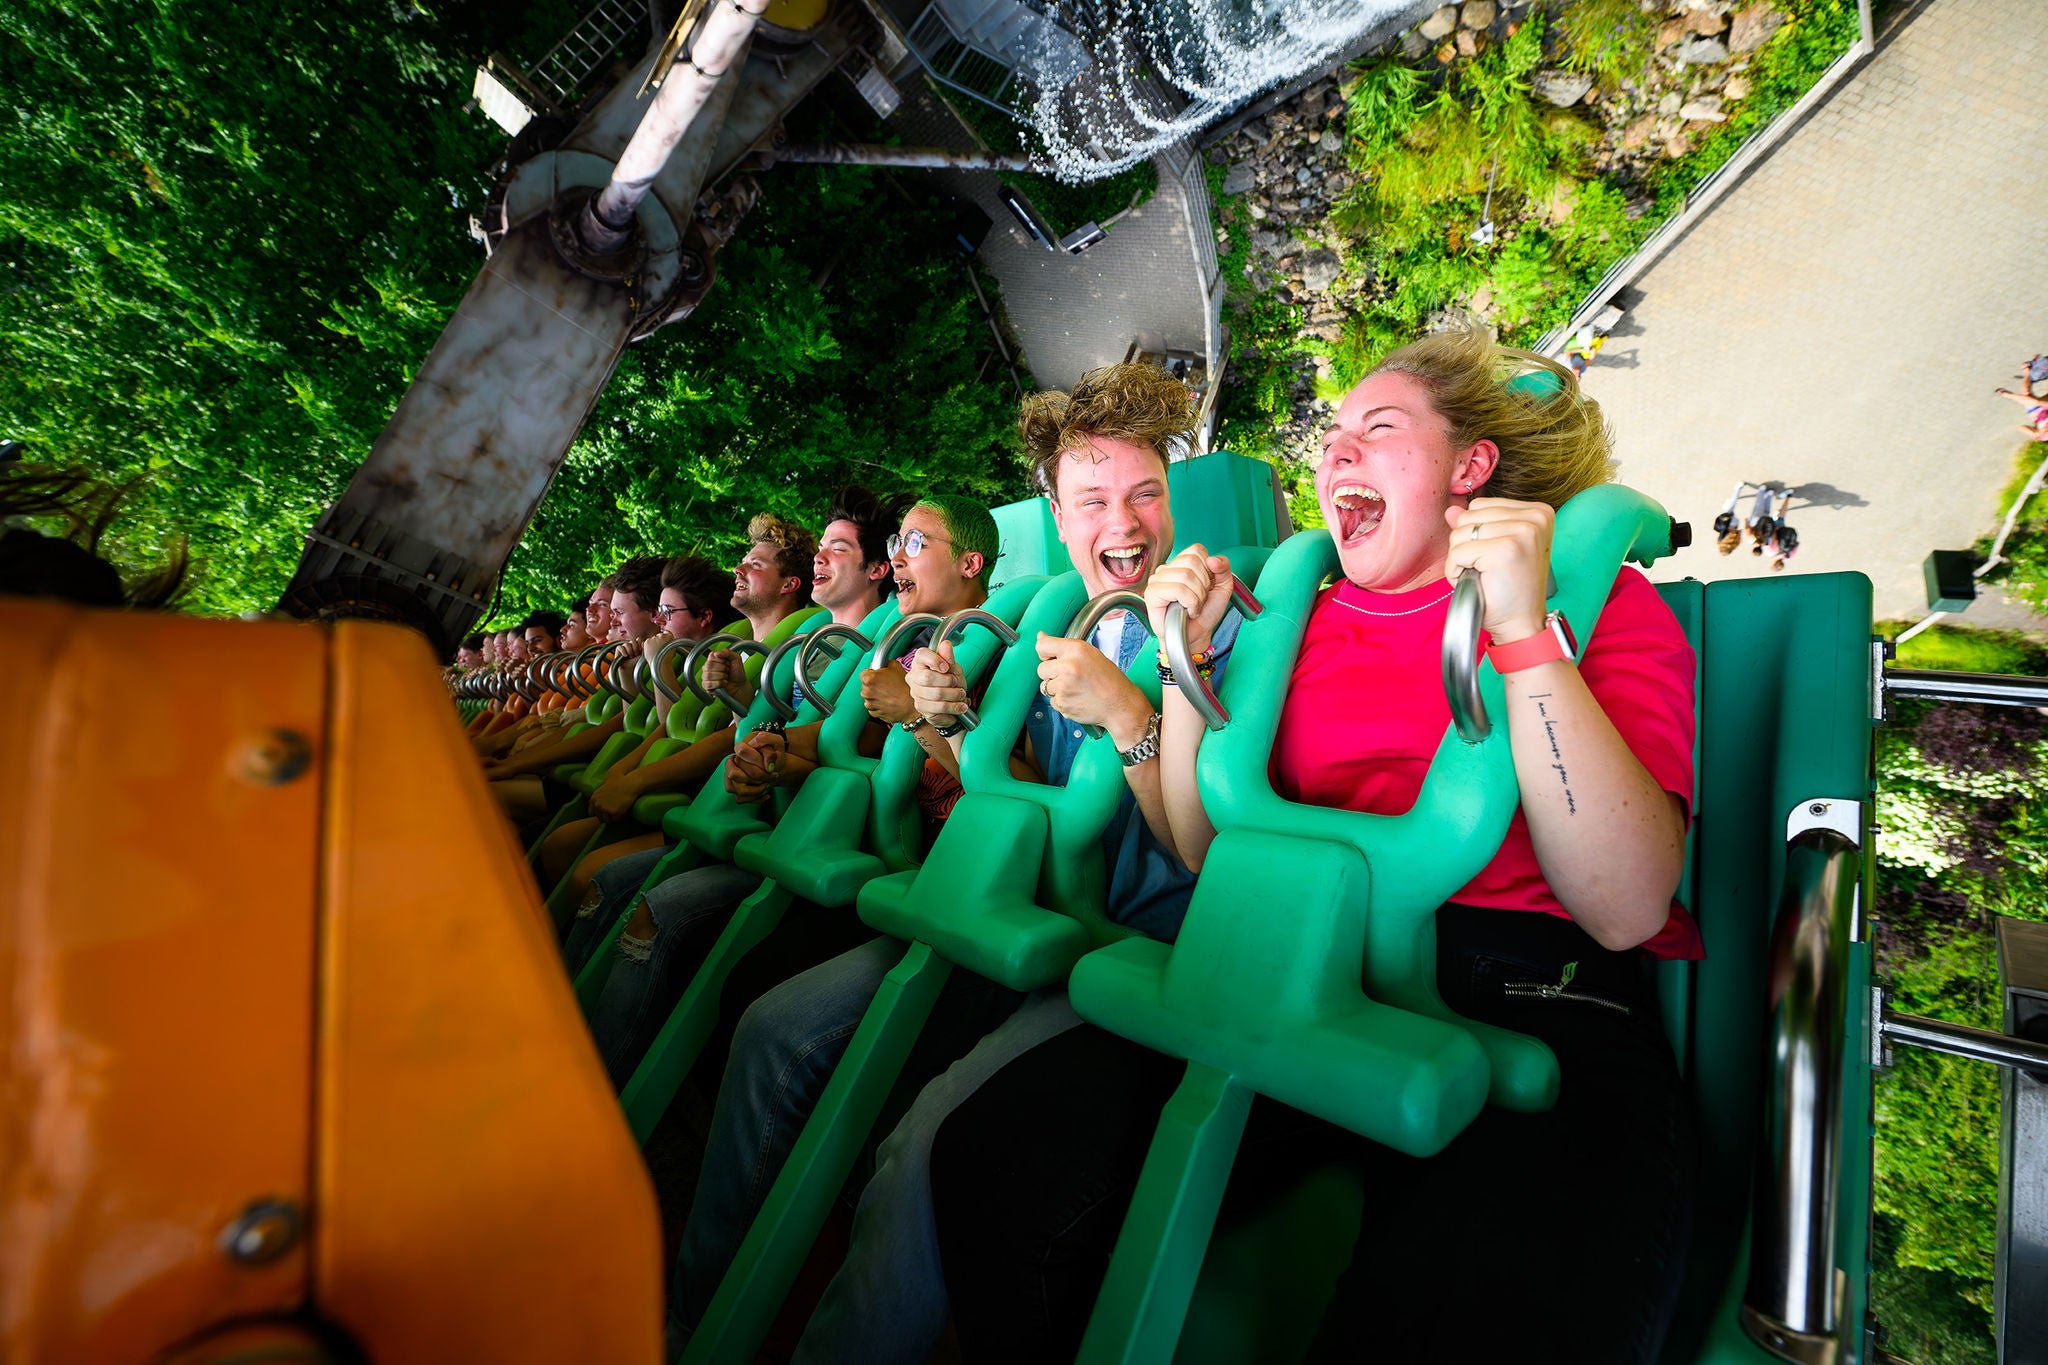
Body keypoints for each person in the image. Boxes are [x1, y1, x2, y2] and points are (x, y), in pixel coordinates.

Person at [930, 326, 1701, 1365]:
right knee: (991, 1157)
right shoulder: (1298, 616)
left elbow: (1622, 905)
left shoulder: (1594, 601)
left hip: (1521, 989)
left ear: (1468, 468)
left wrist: (1522, 635)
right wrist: (1179, 665)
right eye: (1330, 433)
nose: (1332, 451)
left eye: (1374, 430)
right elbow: (1204, 848)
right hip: (1300, 960)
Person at [664, 363, 1243, 1361]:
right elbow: (1017, 794)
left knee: (919, 1152)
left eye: (1145, 491)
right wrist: (948, 725)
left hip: (1129, 953)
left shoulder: (1210, 624)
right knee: (772, 1028)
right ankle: (692, 1315)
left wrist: (1128, 712)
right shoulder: (1062, 620)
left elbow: (1197, 847)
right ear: (1058, 520)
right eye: (1094, 498)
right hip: (1025, 923)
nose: (1126, 519)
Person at [581, 496, 999, 1089]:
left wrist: (918, 720)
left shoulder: (1001, 648)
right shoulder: (899, 644)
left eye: (913, 544)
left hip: (931, 879)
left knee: (764, 1011)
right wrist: (770, 748)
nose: (897, 557)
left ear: (970, 563)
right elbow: (840, 736)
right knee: (733, 973)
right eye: (893, 543)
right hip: (863, 860)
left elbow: (1001, 781)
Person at [561, 489, 899, 973]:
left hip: (803, 830)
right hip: (751, 814)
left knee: (645, 906)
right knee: (606, 883)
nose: (821, 555)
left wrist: (767, 750)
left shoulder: (882, 646)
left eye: (838, 549)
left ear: (876, 570)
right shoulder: (805, 641)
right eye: (821, 546)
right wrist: (744, 700)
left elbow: (849, 741)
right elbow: (769, 725)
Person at [1711, 480, 1753, 556]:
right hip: (1729, 523)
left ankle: (1729, 501)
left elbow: (1739, 533)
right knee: (1731, 506)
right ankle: (1738, 487)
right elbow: (1721, 531)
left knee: (1731, 506)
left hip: (1736, 524)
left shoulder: (1734, 544)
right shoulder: (1720, 541)